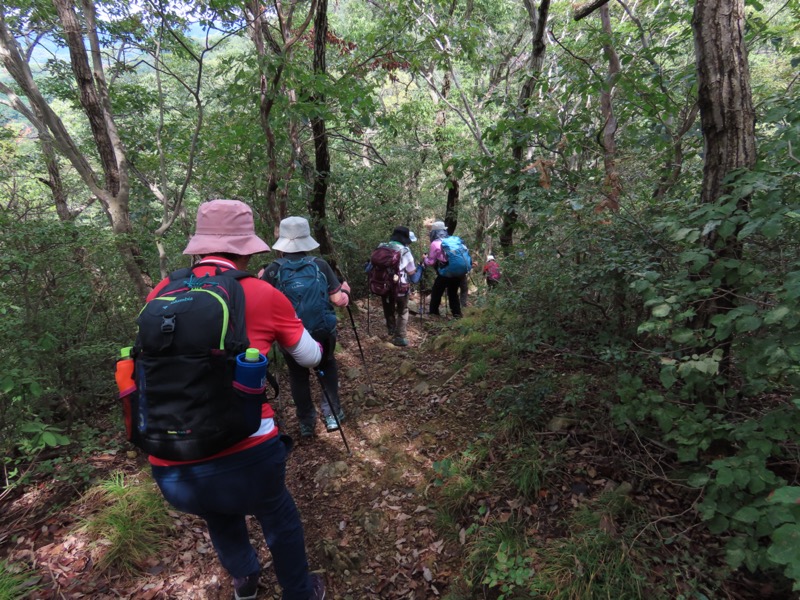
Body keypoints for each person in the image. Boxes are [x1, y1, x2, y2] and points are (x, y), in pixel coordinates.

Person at [146, 200, 326, 600]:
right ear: (247, 248)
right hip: (246, 450)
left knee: (218, 511)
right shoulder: (260, 294)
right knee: (276, 513)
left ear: (197, 246)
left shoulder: (161, 291)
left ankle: (245, 580)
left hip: (171, 456)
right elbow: (310, 356)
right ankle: (300, 591)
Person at [262, 216, 350, 437]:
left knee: (298, 375)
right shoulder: (319, 265)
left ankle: (306, 423)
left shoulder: (273, 270)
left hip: (290, 335)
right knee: (327, 367)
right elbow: (338, 300)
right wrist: (346, 292)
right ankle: (331, 415)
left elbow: (261, 303)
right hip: (322, 331)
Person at [379, 225, 423, 347]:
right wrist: (420, 268)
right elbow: (412, 274)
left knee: (388, 309)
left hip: (383, 285)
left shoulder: (382, 247)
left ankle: (391, 330)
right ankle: (400, 337)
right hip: (400, 287)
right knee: (403, 311)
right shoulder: (405, 251)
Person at [423, 220, 463, 318]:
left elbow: (431, 262)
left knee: (436, 291)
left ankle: (433, 313)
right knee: (453, 293)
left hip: (446, 272)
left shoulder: (435, 243)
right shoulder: (453, 240)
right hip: (458, 271)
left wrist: (425, 259)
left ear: (433, 232)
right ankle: (457, 315)